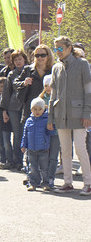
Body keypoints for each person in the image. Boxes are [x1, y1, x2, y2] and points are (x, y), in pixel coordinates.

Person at [48, 36, 91, 195]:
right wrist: (50, 117)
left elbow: (88, 91)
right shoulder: (56, 67)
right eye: (56, 49)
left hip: (80, 114)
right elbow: (53, 95)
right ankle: (67, 182)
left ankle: (88, 182)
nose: (58, 51)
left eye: (60, 48)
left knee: (80, 148)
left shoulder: (82, 64)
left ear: (69, 48)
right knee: (65, 150)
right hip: (61, 114)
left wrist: (87, 112)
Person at [0, 49, 29, 170]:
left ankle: (29, 160)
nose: (18, 62)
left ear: (24, 59)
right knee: (17, 134)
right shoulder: (11, 74)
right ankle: (18, 160)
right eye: (15, 60)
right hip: (13, 107)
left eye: (20, 59)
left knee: (26, 133)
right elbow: (6, 93)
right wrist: (4, 110)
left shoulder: (30, 71)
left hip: (27, 106)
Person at [14, 44, 54, 124]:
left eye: (43, 55)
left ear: (48, 56)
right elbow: (15, 83)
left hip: (48, 109)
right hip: (30, 108)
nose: (40, 58)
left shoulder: (54, 70)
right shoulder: (28, 69)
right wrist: (23, 83)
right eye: (37, 55)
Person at [21, 97, 52, 191]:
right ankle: (33, 183)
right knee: (32, 168)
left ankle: (45, 183)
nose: (37, 111)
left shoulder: (46, 120)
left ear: (43, 110)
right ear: (31, 110)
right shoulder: (29, 121)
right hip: (31, 149)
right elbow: (25, 134)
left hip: (43, 148)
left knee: (44, 168)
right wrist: (23, 145)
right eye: (35, 109)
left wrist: (50, 127)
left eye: (39, 109)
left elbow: (50, 133)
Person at [39, 75, 60, 188]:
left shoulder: (58, 97)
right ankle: (44, 178)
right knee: (44, 156)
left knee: (53, 156)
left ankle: (51, 178)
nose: (48, 88)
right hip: (44, 132)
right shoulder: (40, 99)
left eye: (50, 86)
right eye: (46, 86)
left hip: (56, 132)